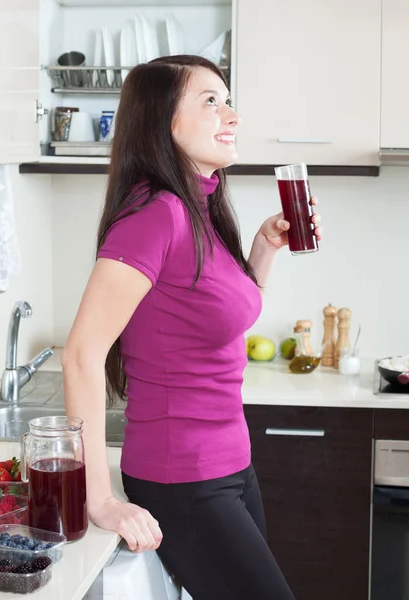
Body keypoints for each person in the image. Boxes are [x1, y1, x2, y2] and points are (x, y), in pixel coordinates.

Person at [62, 54, 322, 600]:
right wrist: (99, 500)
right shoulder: (154, 214)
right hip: (183, 479)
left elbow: (220, 320)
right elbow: (82, 354)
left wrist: (263, 249)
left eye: (228, 100)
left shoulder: (199, 208)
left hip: (232, 465)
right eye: (211, 101)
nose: (232, 115)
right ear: (164, 122)